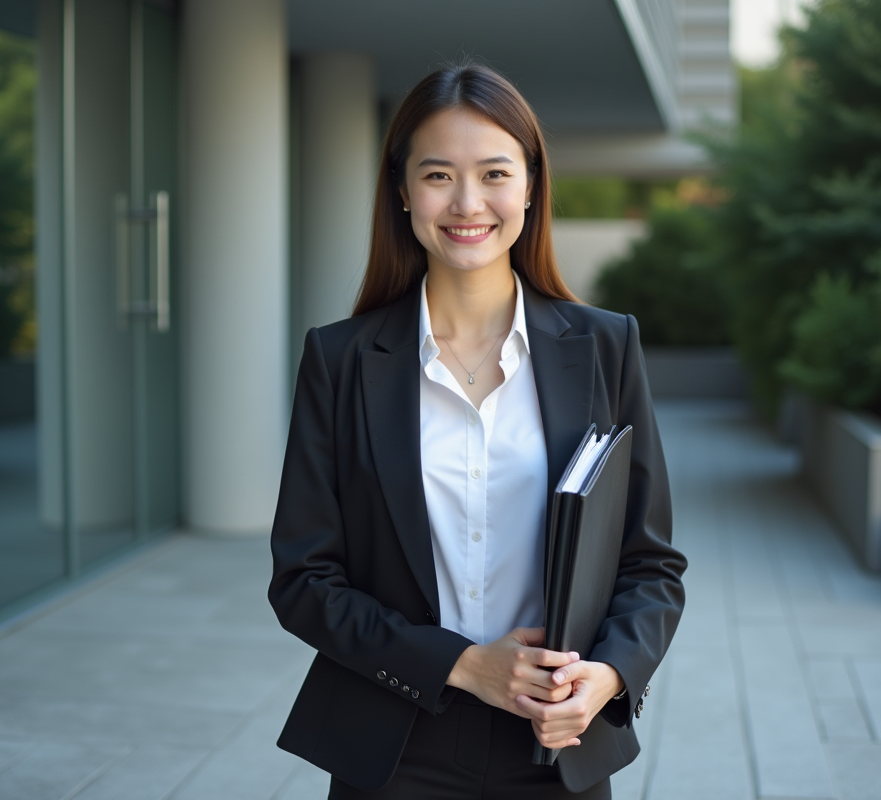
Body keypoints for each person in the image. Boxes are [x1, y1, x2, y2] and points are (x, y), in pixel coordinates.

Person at [268, 62, 687, 799]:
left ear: (530, 186)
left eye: (495, 173)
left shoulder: (606, 346)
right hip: (395, 741)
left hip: (556, 743)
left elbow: (649, 563)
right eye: (438, 175)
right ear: (402, 191)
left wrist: (610, 675)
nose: (467, 203)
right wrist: (465, 666)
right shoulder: (340, 360)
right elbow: (304, 581)